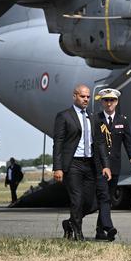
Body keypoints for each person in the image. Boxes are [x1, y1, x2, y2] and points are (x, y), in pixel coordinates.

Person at [53, 84, 111, 240]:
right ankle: (78, 233)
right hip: (73, 164)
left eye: (88, 97)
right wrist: (57, 168)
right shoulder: (64, 116)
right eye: (82, 96)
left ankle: (70, 223)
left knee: (92, 202)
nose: (86, 99)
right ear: (74, 96)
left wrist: (106, 166)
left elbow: (99, 142)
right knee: (77, 199)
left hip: (90, 164)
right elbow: (58, 142)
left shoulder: (93, 117)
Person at [93, 87, 131, 241]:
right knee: (104, 197)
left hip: (114, 166)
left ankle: (100, 231)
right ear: (102, 102)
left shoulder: (123, 121)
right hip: (99, 165)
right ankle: (109, 227)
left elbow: (129, 144)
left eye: (112, 100)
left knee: (108, 198)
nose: (109, 103)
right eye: (106, 100)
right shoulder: (95, 120)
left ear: (117, 102)